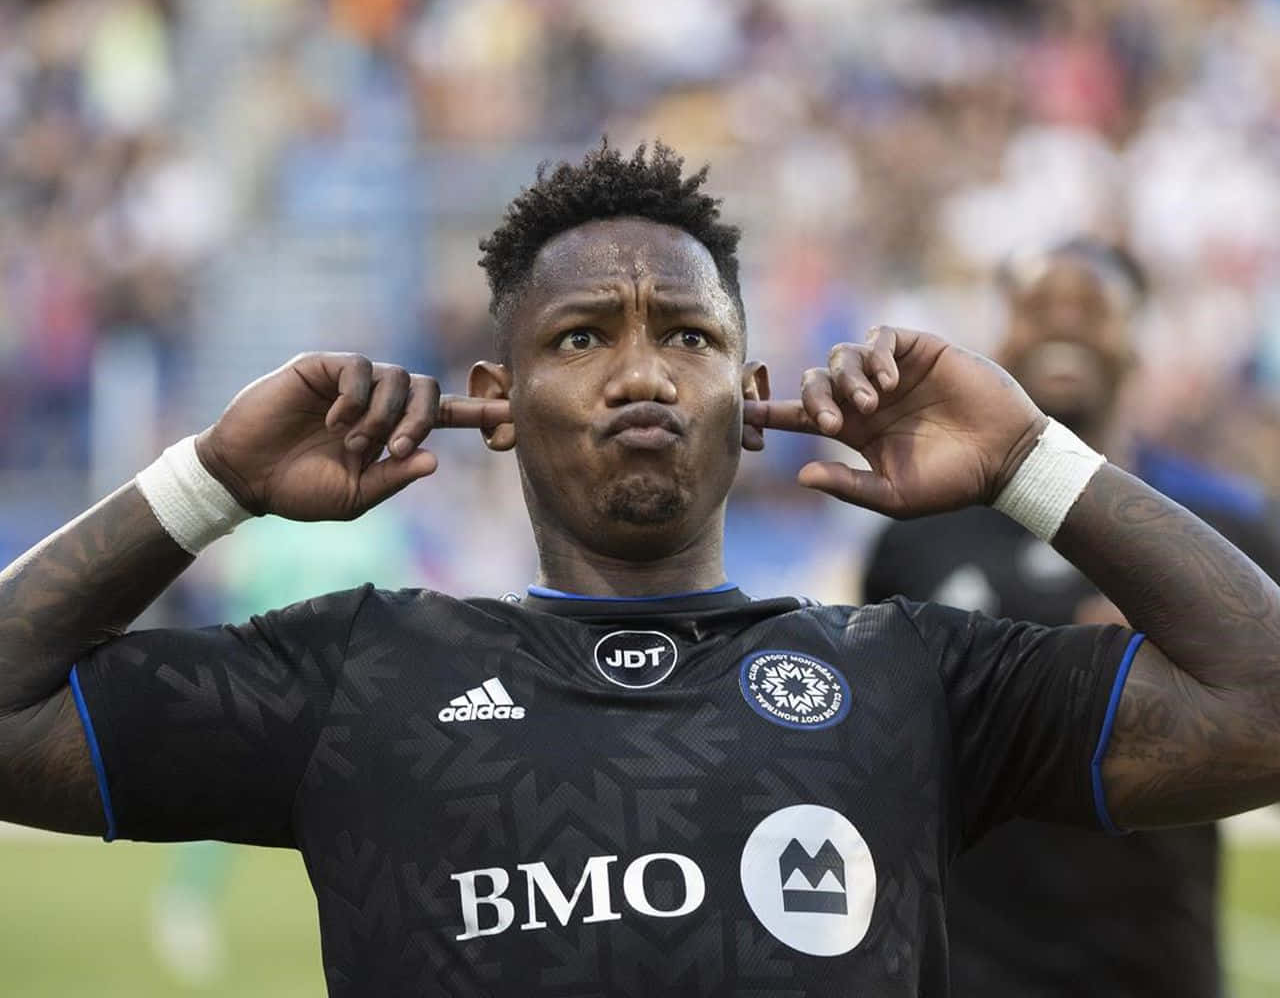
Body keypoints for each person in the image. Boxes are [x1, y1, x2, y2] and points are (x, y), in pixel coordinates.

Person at [2, 142, 1280, 997]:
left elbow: (1260, 708)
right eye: (578, 337)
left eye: (687, 335)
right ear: (495, 400)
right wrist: (209, 481)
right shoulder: (357, 676)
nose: (639, 373)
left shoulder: (910, 676)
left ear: (753, 396)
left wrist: (1025, 462)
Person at [862, 238, 1280, 997]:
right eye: (1036, 306)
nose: (1062, 322)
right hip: (969, 963)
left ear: (1136, 337)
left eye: (1091, 306)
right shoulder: (914, 534)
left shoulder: (1223, 536)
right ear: (1002, 337)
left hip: (1153, 963)